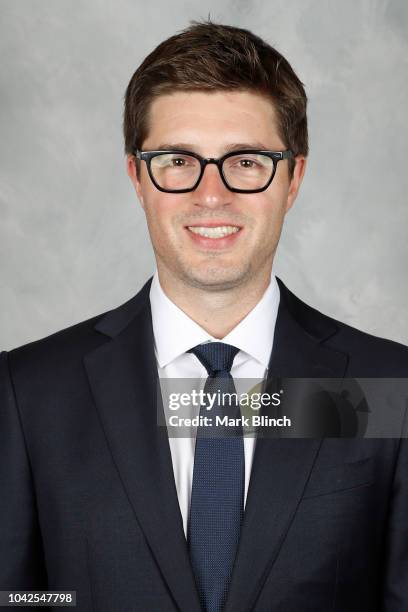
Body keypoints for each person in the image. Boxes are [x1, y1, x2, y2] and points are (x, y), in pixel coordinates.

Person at [1, 19, 407, 612]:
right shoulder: (27, 393)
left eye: (245, 162)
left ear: (293, 177)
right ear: (138, 177)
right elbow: (21, 599)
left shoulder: (386, 389)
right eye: (177, 160)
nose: (210, 195)